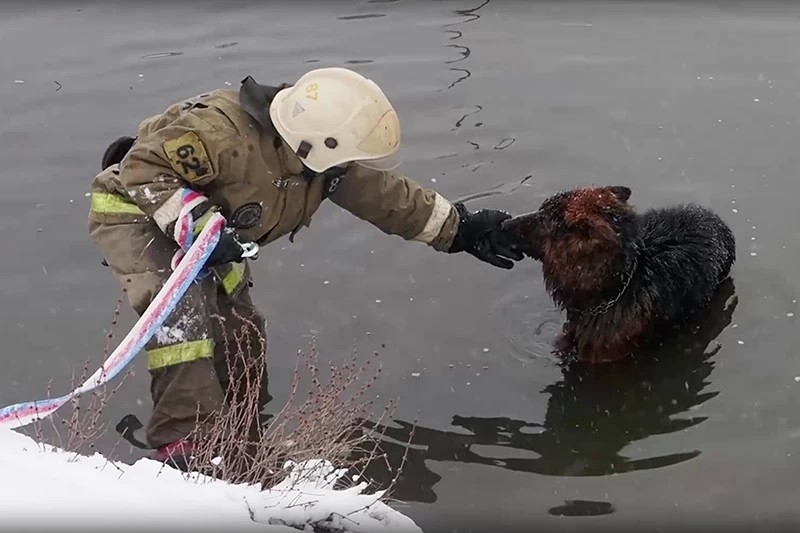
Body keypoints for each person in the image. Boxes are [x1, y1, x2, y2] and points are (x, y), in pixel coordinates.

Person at [87, 66, 529, 468]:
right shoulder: (221, 136)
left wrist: (460, 230)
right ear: (319, 143)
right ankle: (187, 447)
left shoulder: (317, 159)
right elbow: (142, 168)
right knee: (182, 320)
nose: (347, 169)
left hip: (215, 237)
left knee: (243, 331)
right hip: (135, 213)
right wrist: (197, 220)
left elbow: (385, 197)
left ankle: (242, 431)